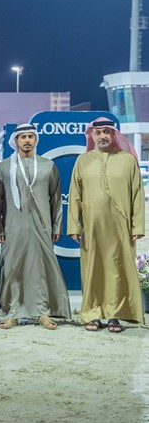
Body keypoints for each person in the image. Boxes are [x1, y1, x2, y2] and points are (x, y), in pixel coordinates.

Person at [68, 117, 146, 333]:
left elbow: (137, 195)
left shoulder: (128, 160)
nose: (102, 136)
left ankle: (114, 315)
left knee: (117, 270)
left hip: (121, 227)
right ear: (91, 135)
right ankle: (92, 313)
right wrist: (74, 225)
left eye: (106, 132)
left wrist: (137, 226)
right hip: (91, 227)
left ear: (114, 135)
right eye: (98, 132)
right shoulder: (83, 161)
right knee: (93, 269)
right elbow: (75, 195)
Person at [0, 123, 70, 330]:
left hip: (41, 225)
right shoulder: (4, 167)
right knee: (12, 267)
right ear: (15, 141)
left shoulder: (48, 165)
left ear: (36, 140)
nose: (26, 140)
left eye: (30, 137)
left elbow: (56, 199)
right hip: (12, 225)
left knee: (40, 267)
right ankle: (12, 312)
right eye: (22, 137)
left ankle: (42, 312)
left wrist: (56, 227)